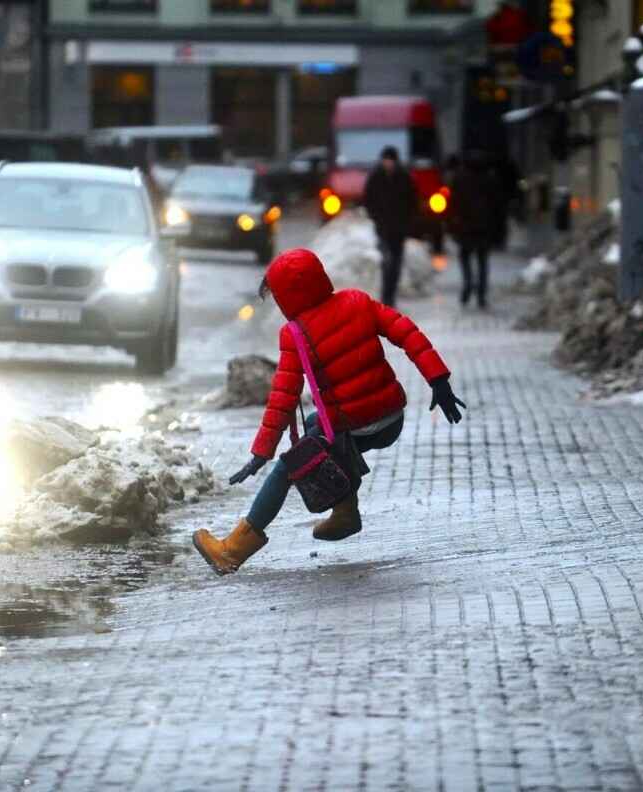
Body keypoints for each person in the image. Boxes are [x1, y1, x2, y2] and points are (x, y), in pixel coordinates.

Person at [192, 248, 466, 575]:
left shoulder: (295, 333)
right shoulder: (357, 301)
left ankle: (232, 550)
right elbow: (407, 333)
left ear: (287, 296)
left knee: (289, 464)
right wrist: (439, 381)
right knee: (315, 425)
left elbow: (283, 397)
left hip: (352, 426)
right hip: (391, 418)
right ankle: (345, 513)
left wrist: (261, 453)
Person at [362, 146, 418, 307]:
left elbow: (412, 200)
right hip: (382, 227)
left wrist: (407, 220)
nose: (388, 163)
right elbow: (368, 199)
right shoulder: (376, 176)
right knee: (387, 261)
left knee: (396, 262)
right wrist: (375, 217)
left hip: (399, 228)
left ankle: (390, 295)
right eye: (386, 160)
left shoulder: (404, 177)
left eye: (390, 160)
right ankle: (386, 296)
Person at [448, 150, 498, 309]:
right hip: (483, 226)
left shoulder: (459, 178)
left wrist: (453, 224)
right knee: (482, 261)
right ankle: (481, 294)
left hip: (465, 227)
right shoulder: (489, 178)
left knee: (465, 259)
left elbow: (453, 202)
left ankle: (467, 286)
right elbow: (496, 204)